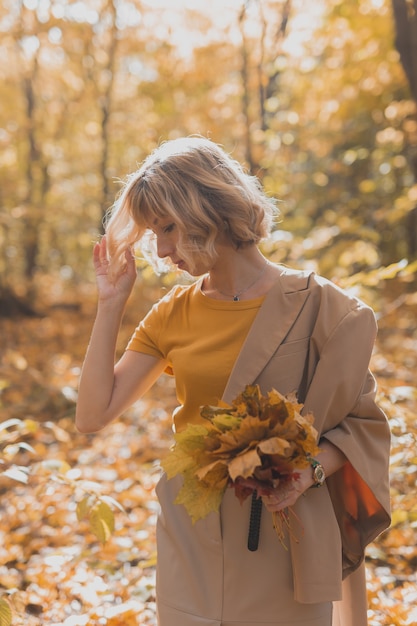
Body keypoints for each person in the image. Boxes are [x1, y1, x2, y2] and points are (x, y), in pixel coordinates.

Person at [75, 136, 391, 626]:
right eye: (153, 234)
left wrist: (308, 470)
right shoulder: (171, 314)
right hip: (191, 531)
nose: (161, 250)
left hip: (287, 536)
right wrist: (110, 303)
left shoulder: (325, 309)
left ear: (207, 208)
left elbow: (362, 430)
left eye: (167, 229)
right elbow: (92, 416)